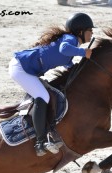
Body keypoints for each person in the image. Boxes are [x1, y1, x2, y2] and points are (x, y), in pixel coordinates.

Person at [8, 13, 95, 156]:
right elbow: (63, 49)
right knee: (42, 96)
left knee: (48, 93)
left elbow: (70, 66)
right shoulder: (70, 39)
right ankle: (40, 142)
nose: (92, 33)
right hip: (21, 68)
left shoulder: (73, 47)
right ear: (81, 31)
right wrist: (83, 52)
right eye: (90, 30)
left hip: (27, 69)